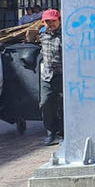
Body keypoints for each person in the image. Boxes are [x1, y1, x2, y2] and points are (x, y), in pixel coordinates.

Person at [39, 9, 64, 146]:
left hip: (63, 75)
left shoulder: (65, 35)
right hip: (47, 75)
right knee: (45, 103)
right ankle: (50, 132)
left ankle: (62, 134)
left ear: (59, 20)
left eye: (53, 21)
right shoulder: (42, 34)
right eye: (47, 21)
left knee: (62, 105)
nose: (50, 24)